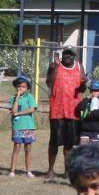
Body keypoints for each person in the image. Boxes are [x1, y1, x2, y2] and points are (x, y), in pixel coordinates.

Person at [43, 46, 85, 180]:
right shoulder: (55, 66)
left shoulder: (79, 67)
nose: (67, 56)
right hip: (58, 110)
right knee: (54, 142)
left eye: (70, 54)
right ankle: (50, 170)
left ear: (75, 56)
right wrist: (54, 67)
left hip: (74, 111)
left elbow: (83, 87)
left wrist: (84, 84)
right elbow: (49, 83)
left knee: (70, 144)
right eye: (66, 54)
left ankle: (67, 171)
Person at [7, 73, 38, 177]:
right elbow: (13, 110)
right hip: (17, 126)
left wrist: (19, 113)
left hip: (28, 126)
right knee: (16, 148)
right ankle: (12, 171)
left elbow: (32, 109)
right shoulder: (12, 98)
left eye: (23, 87)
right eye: (19, 86)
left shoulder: (30, 97)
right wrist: (17, 98)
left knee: (28, 149)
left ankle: (28, 171)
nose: (21, 88)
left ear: (27, 88)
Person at [77, 78, 99, 145]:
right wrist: (87, 98)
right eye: (92, 90)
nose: (94, 92)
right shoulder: (87, 100)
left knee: (96, 151)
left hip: (96, 130)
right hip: (84, 130)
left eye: (96, 90)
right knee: (83, 151)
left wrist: (89, 114)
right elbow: (80, 107)